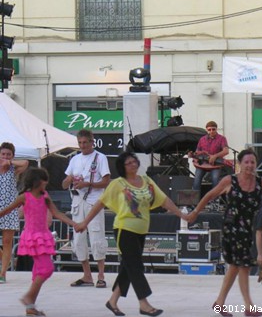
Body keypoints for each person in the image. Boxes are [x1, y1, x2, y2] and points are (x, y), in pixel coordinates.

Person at [75, 151, 185, 317]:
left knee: (128, 267)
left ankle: (112, 301)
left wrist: (182, 215)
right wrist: (84, 223)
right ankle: (144, 304)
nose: (133, 164)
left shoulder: (147, 181)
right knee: (135, 266)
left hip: (141, 231)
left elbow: (164, 200)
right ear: (123, 167)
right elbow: (100, 203)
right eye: (129, 163)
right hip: (124, 229)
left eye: (135, 161)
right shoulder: (118, 184)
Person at [185, 149, 262, 317]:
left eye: (252, 162)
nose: (250, 165)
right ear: (239, 164)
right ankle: (248, 306)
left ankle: (220, 302)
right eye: (246, 162)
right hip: (232, 228)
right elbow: (209, 196)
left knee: (237, 266)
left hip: (249, 229)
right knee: (243, 265)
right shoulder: (230, 180)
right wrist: (195, 212)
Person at [0, 167, 77, 316]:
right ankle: (28, 297)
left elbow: (57, 213)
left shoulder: (45, 197)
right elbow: (7, 210)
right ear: (36, 182)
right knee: (46, 269)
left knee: (38, 273)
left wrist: (75, 224)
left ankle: (30, 306)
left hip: (43, 236)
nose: (46, 184)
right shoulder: (24, 197)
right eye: (44, 181)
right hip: (32, 237)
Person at [62, 129, 110, 288]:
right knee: (78, 239)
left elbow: (106, 182)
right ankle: (87, 275)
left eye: (85, 142)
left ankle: (101, 275)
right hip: (77, 201)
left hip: (93, 201)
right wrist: (70, 179)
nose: (82, 146)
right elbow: (63, 184)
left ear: (92, 142)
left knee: (97, 237)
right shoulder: (74, 159)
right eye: (80, 143)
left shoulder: (100, 158)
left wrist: (88, 184)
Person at [0, 142, 29, 283]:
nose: (5, 157)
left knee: (7, 241)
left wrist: (9, 162)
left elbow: (25, 163)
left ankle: (3, 273)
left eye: (8, 154)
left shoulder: (13, 169)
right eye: (3, 154)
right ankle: (4, 260)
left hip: (10, 209)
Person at [190, 121, 229, 191]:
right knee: (197, 180)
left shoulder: (222, 138)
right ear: (207, 130)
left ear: (216, 129)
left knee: (215, 180)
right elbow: (197, 152)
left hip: (215, 164)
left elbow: (226, 151)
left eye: (213, 129)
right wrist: (193, 155)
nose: (211, 131)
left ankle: (215, 200)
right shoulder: (202, 139)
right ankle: (195, 200)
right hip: (202, 164)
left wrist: (215, 156)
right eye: (209, 130)